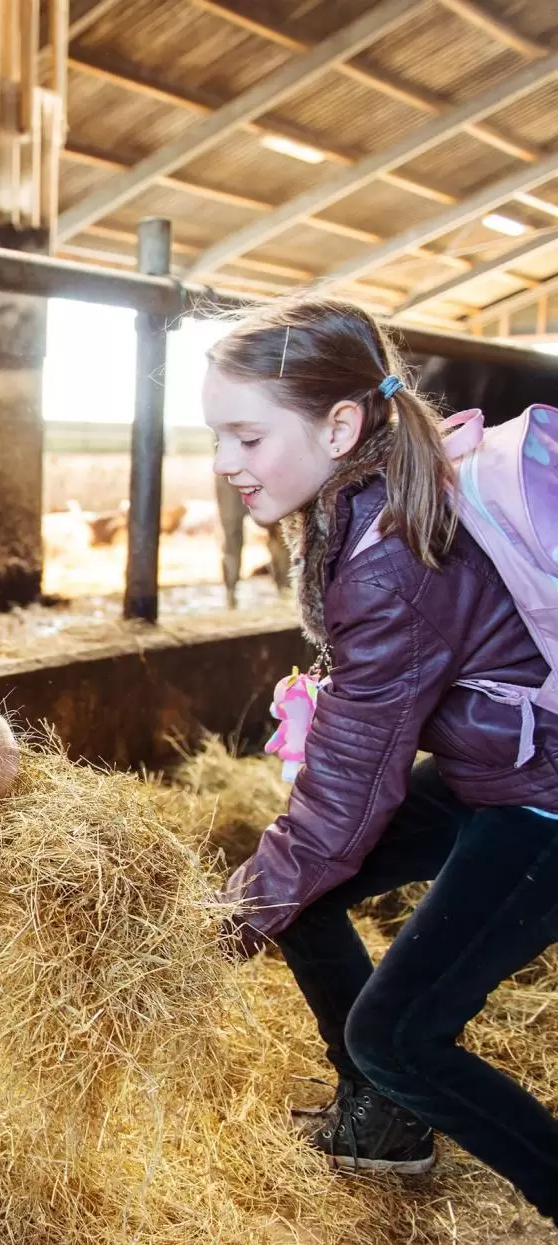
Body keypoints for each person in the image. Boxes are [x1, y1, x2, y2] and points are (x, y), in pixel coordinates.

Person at [203, 296, 558, 1219]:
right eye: (217, 437)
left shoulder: (390, 555)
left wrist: (216, 930)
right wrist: (268, 888)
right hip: (503, 765)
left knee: (398, 1033)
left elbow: (344, 805)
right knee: (300, 890)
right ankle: (388, 1124)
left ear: (342, 424)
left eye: (246, 436)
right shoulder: (359, 502)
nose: (223, 462)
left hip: (545, 796)